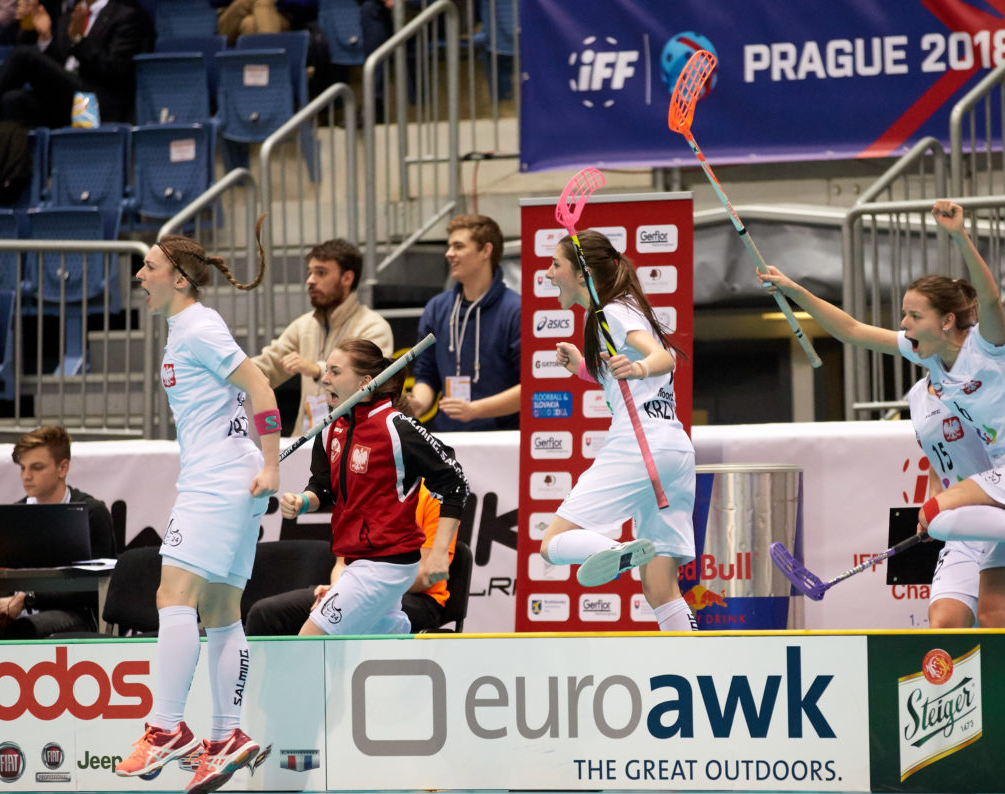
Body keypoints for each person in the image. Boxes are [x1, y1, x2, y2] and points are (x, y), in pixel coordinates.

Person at [759, 199, 1005, 629]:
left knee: (941, 514)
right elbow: (853, 331)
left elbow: (990, 298)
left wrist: (959, 236)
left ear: (946, 322)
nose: (903, 325)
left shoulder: (986, 349)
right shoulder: (932, 363)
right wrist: (793, 290)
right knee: (984, 597)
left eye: (914, 316)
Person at [112, 216, 280, 794]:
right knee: (221, 610)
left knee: (172, 598)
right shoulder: (187, 327)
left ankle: (164, 728)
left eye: (150, 268)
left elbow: (260, 387)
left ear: (179, 279)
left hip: (217, 482)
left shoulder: (199, 329)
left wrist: (273, 465)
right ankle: (226, 737)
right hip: (231, 480)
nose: (140, 275)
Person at [537, 230, 698, 633]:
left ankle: (618, 551)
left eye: (556, 265)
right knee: (662, 589)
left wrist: (644, 365)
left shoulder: (611, 312)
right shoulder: (623, 310)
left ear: (583, 273)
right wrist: (583, 368)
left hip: (639, 449)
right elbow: (625, 382)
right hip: (674, 453)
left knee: (553, 544)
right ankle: (696, 667)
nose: (548, 273)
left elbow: (662, 359)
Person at [279, 338, 469, 636]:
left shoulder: (398, 428)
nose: (325, 378)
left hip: (388, 564)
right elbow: (323, 488)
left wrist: (437, 553)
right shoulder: (329, 429)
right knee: (378, 648)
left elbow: (455, 482)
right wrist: (302, 501)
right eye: (326, 370)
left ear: (364, 382)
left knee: (310, 640)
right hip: (355, 562)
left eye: (335, 371)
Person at [906, 377, 1005, 629]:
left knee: (999, 623)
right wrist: (935, 501)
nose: (907, 337)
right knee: (945, 624)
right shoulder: (917, 395)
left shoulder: (993, 380)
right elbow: (937, 454)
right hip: (965, 529)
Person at [249, 482, 455, 634]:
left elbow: (425, 577)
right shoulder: (362, 493)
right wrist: (339, 590)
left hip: (418, 598)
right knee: (266, 614)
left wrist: (357, 589)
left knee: (350, 619)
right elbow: (342, 563)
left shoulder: (432, 498)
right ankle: (259, 691)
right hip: (357, 585)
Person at [251, 238, 393, 437]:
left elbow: (369, 385)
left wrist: (318, 370)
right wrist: (229, 372)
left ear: (347, 278)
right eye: (310, 273)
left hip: (354, 443)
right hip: (305, 444)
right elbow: (268, 365)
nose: (310, 280)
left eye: (321, 273)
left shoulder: (373, 327)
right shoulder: (304, 325)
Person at [0, 424, 118, 638]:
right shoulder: (14, 513)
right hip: (20, 608)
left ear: (63, 468)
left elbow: (98, 590)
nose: (26, 476)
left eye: (37, 467)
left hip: (78, 613)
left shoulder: (92, 513)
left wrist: (29, 598)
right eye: (23, 468)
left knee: (24, 628)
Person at [410, 214, 521, 431]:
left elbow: (532, 387)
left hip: (505, 440)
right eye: (449, 246)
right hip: (449, 438)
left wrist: (476, 410)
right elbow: (426, 374)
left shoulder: (515, 310)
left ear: (486, 251)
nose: (449, 253)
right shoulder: (437, 308)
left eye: (458, 246)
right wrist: (417, 404)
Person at [0, 0, 154, 128]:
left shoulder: (127, 15)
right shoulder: (69, 14)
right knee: (12, 100)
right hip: (67, 100)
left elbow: (115, 70)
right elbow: (60, 66)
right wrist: (45, 38)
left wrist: (79, 41)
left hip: (97, 103)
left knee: (24, 56)